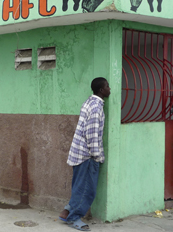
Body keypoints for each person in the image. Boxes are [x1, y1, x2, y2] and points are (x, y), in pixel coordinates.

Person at [59, 77, 110, 231]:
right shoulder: (96, 108)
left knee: (79, 186)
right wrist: (97, 156)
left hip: (78, 153)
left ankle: (67, 211)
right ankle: (74, 218)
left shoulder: (89, 102)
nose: (109, 89)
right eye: (107, 86)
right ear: (101, 90)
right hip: (87, 156)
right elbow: (92, 135)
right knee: (87, 189)